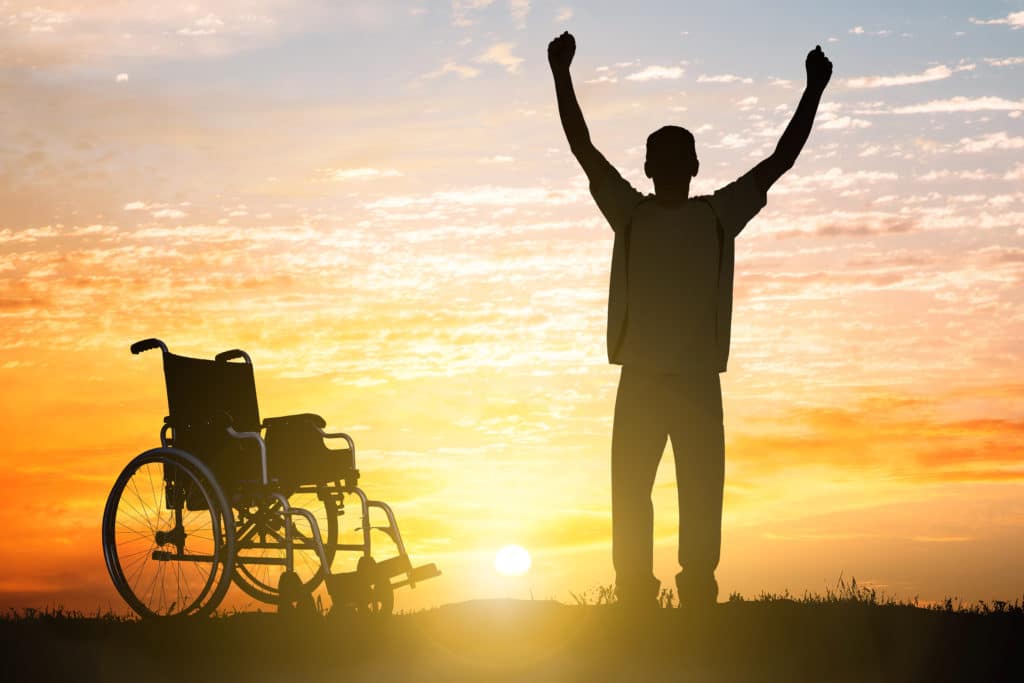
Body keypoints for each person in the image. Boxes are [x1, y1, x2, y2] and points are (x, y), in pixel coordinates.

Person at [547, 31, 832, 608]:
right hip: (650, 381)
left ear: (690, 166)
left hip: (693, 382)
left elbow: (781, 161)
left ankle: (688, 593)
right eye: (666, 158)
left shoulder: (709, 216)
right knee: (639, 492)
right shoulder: (641, 214)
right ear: (653, 167)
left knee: (693, 492)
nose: (673, 166)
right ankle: (639, 594)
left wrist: (814, 91)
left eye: (679, 157)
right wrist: (560, 74)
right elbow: (583, 149)